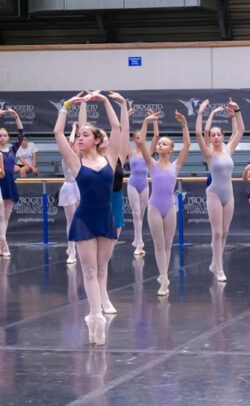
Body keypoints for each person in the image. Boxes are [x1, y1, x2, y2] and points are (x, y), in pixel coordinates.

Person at [52, 90, 124, 345]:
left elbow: (117, 127)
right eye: (79, 135)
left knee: (102, 268)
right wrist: (66, 106)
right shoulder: (75, 162)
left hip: (106, 218)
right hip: (84, 219)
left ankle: (98, 311)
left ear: (96, 139)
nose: (79, 138)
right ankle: (96, 316)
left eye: (84, 135)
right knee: (90, 270)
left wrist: (105, 101)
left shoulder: (110, 158)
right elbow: (58, 133)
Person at [135, 110, 191, 296]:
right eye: (159, 143)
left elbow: (187, 145)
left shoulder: (176, 165)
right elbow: (141, 143)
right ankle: (164, 279)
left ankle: (164, 274)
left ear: (171, 149)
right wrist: (146, 122)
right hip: (154, 207)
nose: (160, 145)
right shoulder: (151, 164)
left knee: (168, 244)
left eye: (164, 143)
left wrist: (184, 124)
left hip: (170, 207)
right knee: (159, 244)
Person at [195, 98, 245, 282]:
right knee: (216, 232)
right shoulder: (208, 153)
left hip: (228, 194)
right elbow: (198, 134)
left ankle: (215, 262)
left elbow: (240, 130)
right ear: (210, 137)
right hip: (214, 193)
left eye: (219, 134)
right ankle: (219, 268)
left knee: (225, 232)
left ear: (222, 137)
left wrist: (236, 112)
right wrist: (202, 113)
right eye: (213, 135)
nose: (216, 137)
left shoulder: (228, 149)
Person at [127, 111, 158, 256]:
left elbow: (156, 136)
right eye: (138, 137)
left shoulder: (148, 152)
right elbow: (122, 135)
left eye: (142, 137)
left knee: (142, 214)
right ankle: (139, 244)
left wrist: (155, 121)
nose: (140, 139)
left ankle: (136, 239)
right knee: (136, 213)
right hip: (133, 184)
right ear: (134, 139)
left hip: (144, 184)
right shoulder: (130, 152)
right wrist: (126, 118)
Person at [0, 108, 24, 257]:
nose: (2, 138)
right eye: (0, 135)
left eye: (4, 135)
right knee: (0, 216)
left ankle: (2, 242)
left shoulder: (12, 150)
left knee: (6, 217)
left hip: (9, 183)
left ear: (8, 137)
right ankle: (4, 243)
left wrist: (16, 117)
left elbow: (21, 135)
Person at [59, 122, 82, 264]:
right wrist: (74, 129)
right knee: (71, 221)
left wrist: (79, 133)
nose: (75, 145)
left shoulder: (79, 156)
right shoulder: (66, 157)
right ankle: (71, 250)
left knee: (79, 220)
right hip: (68, 188)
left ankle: (74, 246)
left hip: (78, 187)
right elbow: (71, 142)